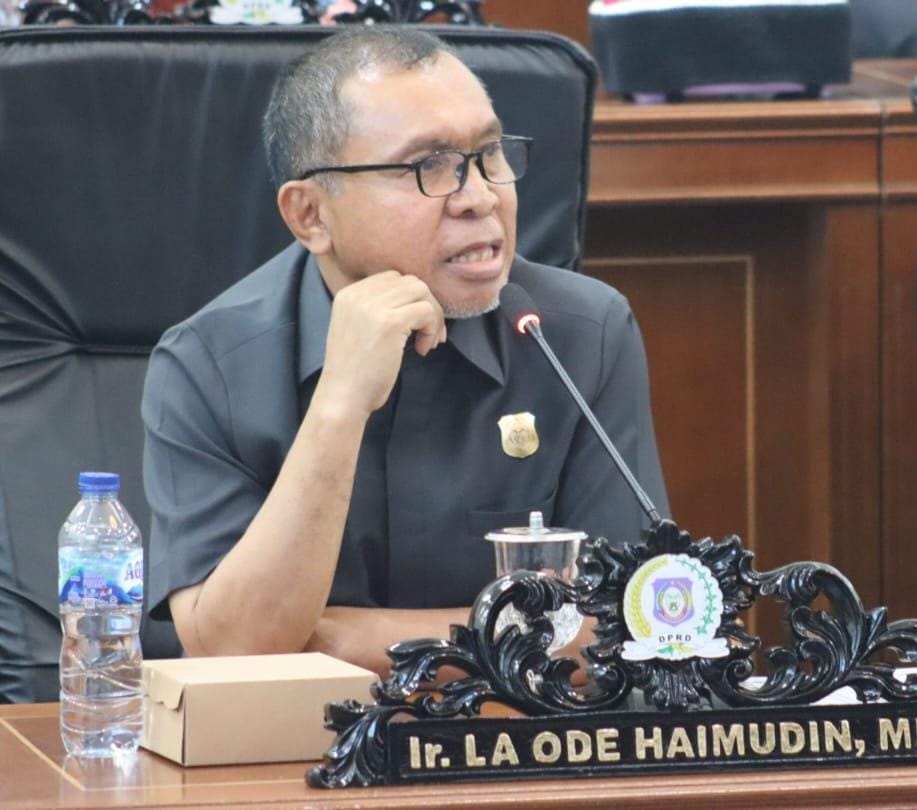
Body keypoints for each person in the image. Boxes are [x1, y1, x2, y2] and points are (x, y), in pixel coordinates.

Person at [141, 26, 668, 676]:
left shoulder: (582, 333)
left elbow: (630, 625)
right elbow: (236, 652)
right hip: (290, 737)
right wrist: (339, 403)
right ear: (311, 215)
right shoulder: (207, 364)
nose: (480, 197)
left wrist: (333, 640)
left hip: (513, 732)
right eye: (429, 167)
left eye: (489, 154)